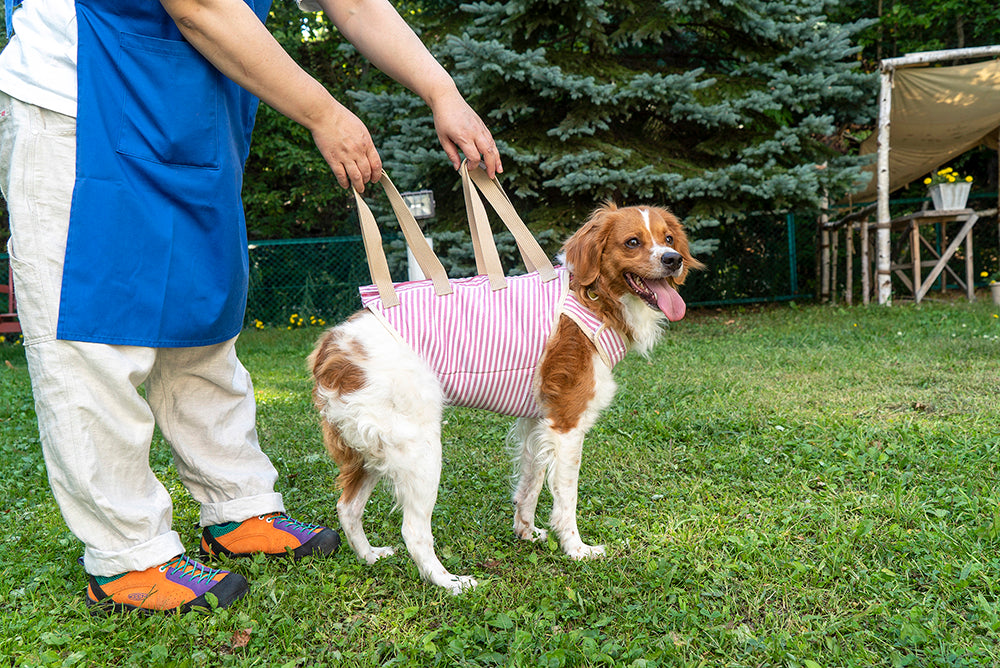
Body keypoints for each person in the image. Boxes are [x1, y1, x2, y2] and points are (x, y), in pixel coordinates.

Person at [0, 0, 502, 614]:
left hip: (194, 110)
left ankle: (238, 509)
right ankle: (128, 556)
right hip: (80, 98)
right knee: (92, 337)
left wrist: (440, 90)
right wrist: (324, 113)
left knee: (200, 321)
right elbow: (199, 6)